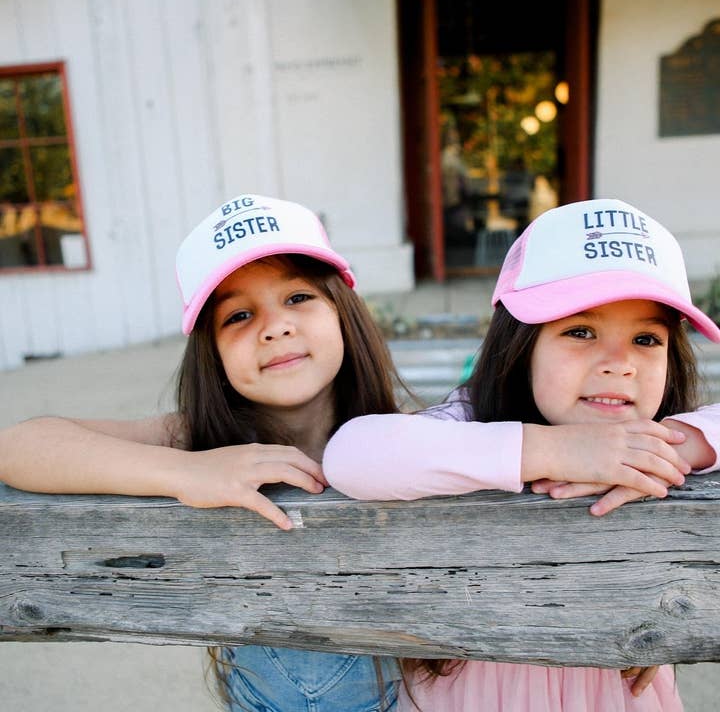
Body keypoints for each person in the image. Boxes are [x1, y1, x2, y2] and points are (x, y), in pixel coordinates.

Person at [0, 194, 712, 710]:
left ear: (343, 310)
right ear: (209, 350)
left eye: (298, 299)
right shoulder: (204, 437)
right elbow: (21, 445)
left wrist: (684, 440)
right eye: (239, 316)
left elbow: (371, 452)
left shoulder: (412, 432)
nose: (275, 329)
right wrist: (185, 471)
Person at [323, 198, 720, 712]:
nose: (620, 364)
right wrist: (556, 449)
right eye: (580, 331)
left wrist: (674, 444)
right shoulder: (473, 417)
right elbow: (352, 455)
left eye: (646, 338)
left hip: (617, 691)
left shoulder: (659, 436)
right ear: (521, 343)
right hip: (479, 685)